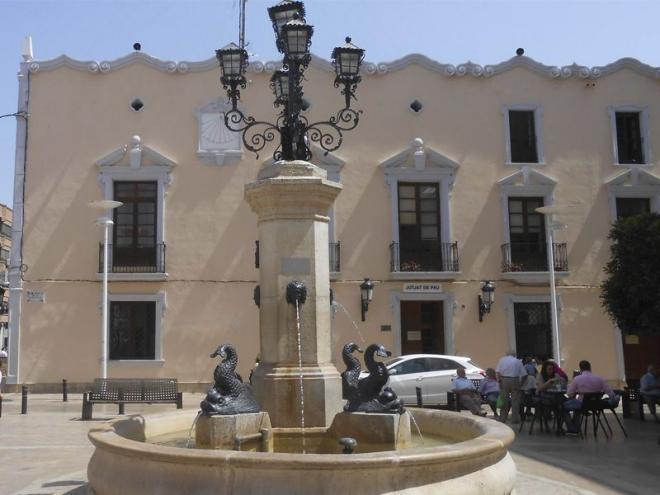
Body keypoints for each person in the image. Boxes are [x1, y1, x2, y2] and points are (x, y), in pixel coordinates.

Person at [562, 360, 619, 434]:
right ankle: (575, 426)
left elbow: (569, 394)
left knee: (563, 407)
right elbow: (610, 393)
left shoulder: (577, 379)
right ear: (590, 368)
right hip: (597, 404)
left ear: (580, 369)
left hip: (582, 404)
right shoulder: (599, 378)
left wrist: (577, 390)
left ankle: (572, 428)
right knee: (577, 406)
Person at [495, 350, 527, 424]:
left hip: (504, 379)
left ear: (506, 354)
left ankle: (503, 418)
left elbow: (497, 372)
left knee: (504, 399)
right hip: (515, 380)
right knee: (515, 401)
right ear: (514, 355)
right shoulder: (518, 361)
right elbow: (525, 375)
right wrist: (521, 383)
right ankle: (515, 419)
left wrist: (499, 381)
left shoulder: (502, 360)